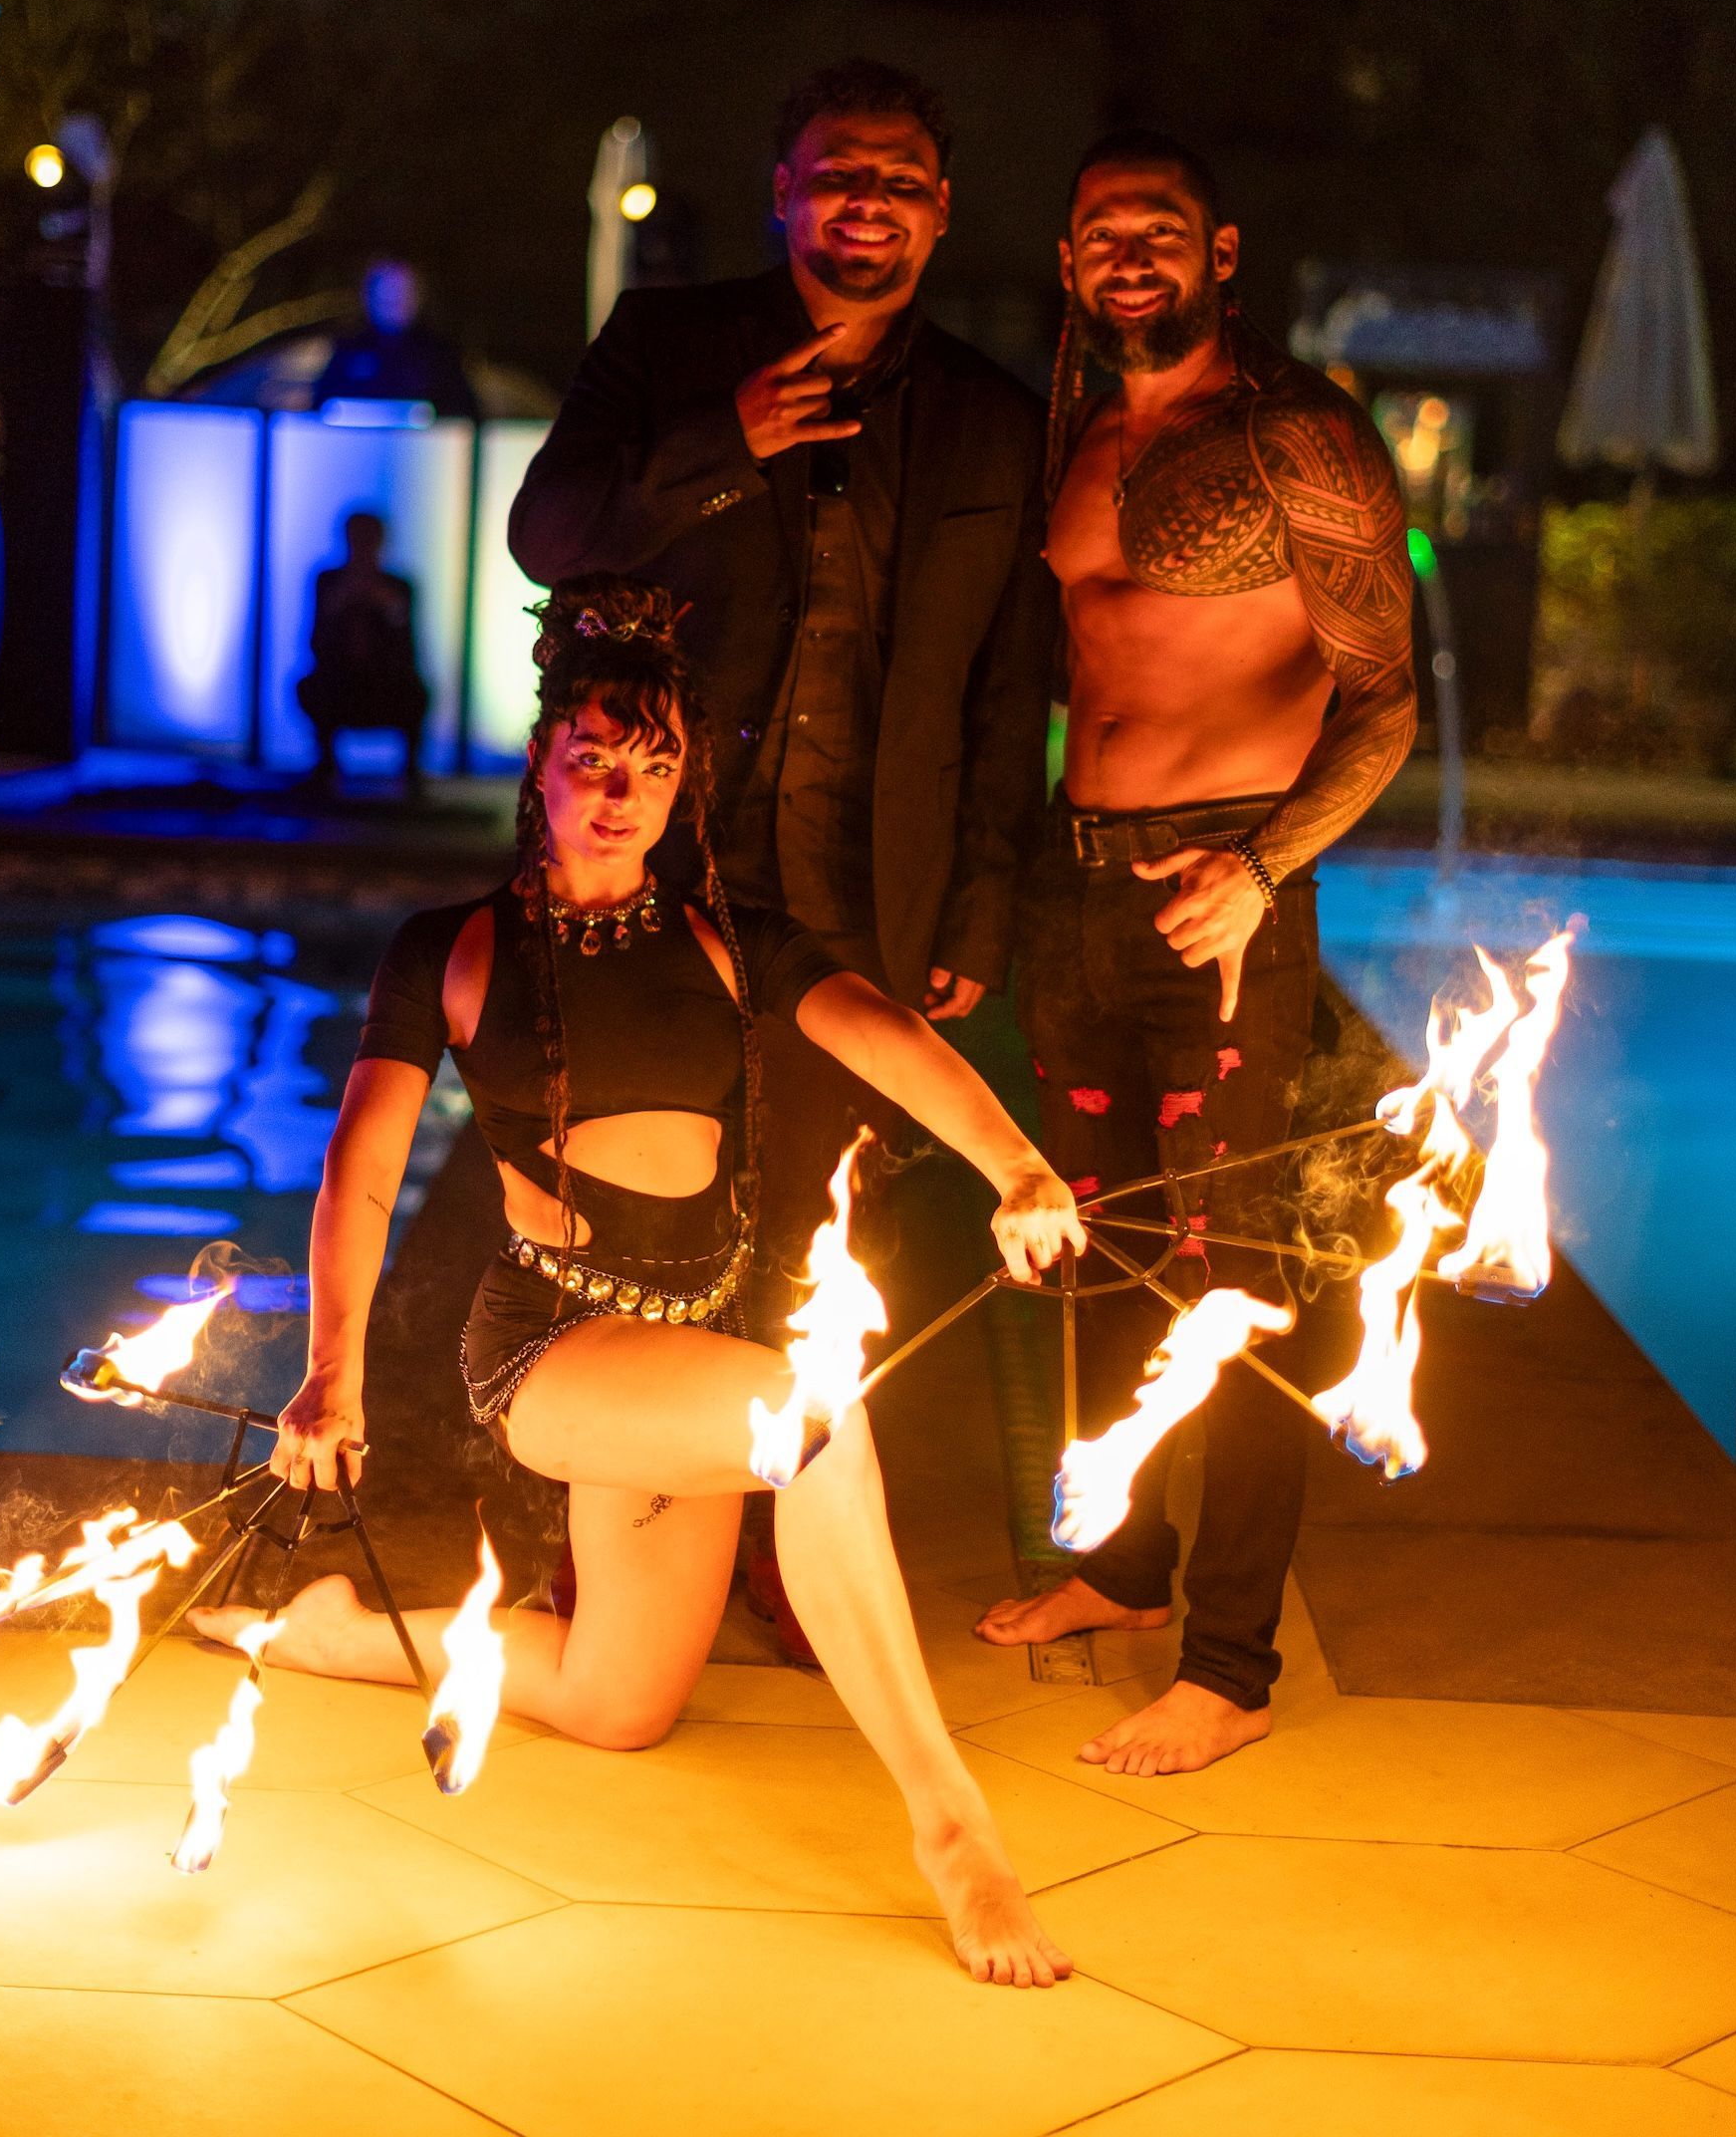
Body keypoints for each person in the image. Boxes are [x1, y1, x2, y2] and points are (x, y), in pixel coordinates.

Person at [193, 579, 1085, 1988]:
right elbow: (357, 1174)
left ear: (685, 784)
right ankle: (953, 1828)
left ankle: (344, 1639)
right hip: (548, 1349)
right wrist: (333, 1372)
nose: (620, 792)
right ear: (541, 762)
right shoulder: (455, 948)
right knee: (811, 1418)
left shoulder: (725, 932)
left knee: (617, 1704)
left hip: (685, 1353)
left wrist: (1014, 1164)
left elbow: (879, 1034)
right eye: (594, 759)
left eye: (653, 765)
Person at [507, 61, 1055, 1650]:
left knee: (823, 1221)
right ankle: (612, 1530)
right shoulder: (669, 349)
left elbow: (1005, 686)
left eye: (895, 176)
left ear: (939, 209)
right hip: (654, 878)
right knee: (627, 1203)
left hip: (853, 885)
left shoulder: (987, 422)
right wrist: (715, 440)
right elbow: (548, 534)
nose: (861, 200)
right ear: (781, 191)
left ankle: (778, 1549)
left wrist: (980, 894)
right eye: (833, 172)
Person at [974, 132, 1415, 1776]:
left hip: (1225, 891)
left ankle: (1229, 1664)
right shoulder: (1072, 437)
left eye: (1157, 226)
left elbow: (1386, 701)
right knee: (1092, 1250)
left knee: (1237, 1288)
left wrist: (1261, 867)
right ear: (1070, 259)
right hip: (1072, 887)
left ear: (1220, 251)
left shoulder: (1300, 438)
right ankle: (1122, 1567)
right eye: (1099, 229)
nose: (1125, 251)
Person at [296, 509, 429, 790]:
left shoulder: (398, 586)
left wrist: (385, 604)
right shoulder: (329, 581)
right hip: (339, 682)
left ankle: (411, 769)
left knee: (417, 692)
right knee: (311, 687)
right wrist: (344, 597)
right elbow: (316, 638)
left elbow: (409, 643)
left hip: (387, 683)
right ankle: (325, 763)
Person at [313, 257, 478, 418]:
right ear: (369, 296)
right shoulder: (347, 349)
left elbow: (464, 415)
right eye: (386, 292)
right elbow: (321, 410)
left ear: (418, 297)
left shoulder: (441, 354)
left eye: (402, 292)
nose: (393, 300)